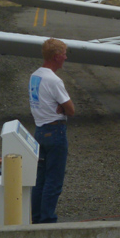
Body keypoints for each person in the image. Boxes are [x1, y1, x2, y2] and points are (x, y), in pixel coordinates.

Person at [29, 38, 75, 224]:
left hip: (40, 130)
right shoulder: (54, 80)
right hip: (55, 131)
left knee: (40, 179)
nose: (65, 57)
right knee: (54, 180)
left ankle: (36, 217)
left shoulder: (35, 76)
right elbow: (71, 110)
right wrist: (62, 107)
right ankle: (48, 220)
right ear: (56, 57)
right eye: (63, 54)